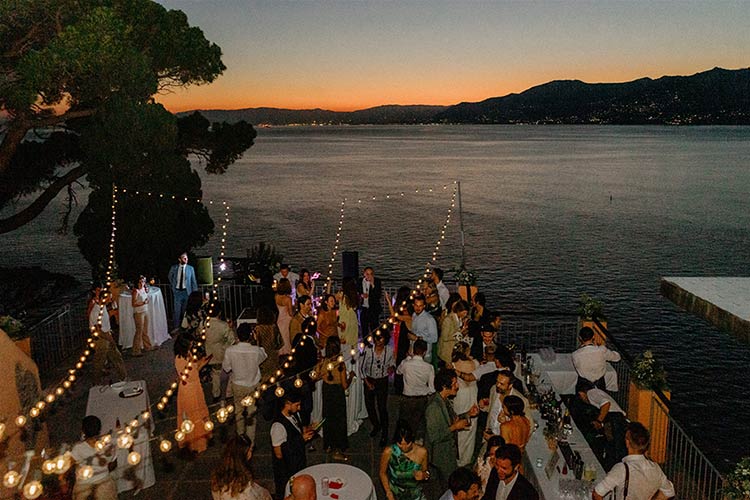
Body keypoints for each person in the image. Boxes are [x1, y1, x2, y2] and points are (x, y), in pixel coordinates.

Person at [425, 369, 479, 492]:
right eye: (454, 383)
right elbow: (434, 436)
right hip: (441, 455)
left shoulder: (445, 400)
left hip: (449, 453)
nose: (457, 386)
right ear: (445, 386)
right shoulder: (433, 407)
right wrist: (455, 427)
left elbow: (452, 420)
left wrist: (468, 414)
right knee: (448, 488)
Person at [593, 422, 675, 500]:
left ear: (627, 442)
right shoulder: (656, 468)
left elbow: (597, 493)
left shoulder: (621, 469)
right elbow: (669, 492)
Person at [222, 323, 267, 443]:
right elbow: (264, 356)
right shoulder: (256, 350)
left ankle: (240, 435)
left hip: (237, 384)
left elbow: (226, 367)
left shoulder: (230, 350)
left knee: (238, 411)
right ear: (250, 335)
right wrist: (257, 342)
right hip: (252, 384)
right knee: (251, 413)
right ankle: (251, 441)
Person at [315, 336, 355, 461]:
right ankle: (340, 445)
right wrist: (351, 377)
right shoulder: (340, 364)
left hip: (327, 391)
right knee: (339, 419)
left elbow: (316, 376)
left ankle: (328, 445)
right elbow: (344, 385)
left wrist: (323, 374)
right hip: (337, 393)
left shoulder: (323, 362)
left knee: (327, 417)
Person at [271, 390, 316, 500]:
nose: (299, 408)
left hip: (297, 462)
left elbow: (296, 431)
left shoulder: (294, 415)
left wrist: (308, 429)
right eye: (297, 405)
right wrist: (301, 439)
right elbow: (279, 453)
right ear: (287, 404)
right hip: (286, 470)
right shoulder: (278, 426)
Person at [576, 379, 628, 470]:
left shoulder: (592, 393)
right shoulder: (596, 392)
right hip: (614, 421)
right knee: (614, 448)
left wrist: (599, 421)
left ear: (581, 393)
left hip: (614, 420)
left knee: (615, 449)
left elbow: (606, 404)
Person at [175, 334, 212, 453]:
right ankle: (196, 443)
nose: (192, 346)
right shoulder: (181, 359)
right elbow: (192, 374)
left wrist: (201, 362)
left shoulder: (185, 356)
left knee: (196, 412)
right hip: (190, 390)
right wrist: (201, 364)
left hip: (193, 387)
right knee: (194, 414)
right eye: (190, 345)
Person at [360, 328, 396, 447]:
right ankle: (376, 425)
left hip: (382, 381)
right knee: (370, 406)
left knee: (382, 407)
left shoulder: (389, 351)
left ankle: (385, 433)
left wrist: (391, 368)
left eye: (381, 338)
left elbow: (393, 362)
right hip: (369, 379)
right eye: (376, 338)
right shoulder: (368, 350)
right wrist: (367, 382)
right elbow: (361, 367)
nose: (378, 341)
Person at [379, 419, 429, 500]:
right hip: (395, 492)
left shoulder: (422, 452)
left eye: (407, 444)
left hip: (414, 494)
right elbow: (382, 473)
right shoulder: (389, 452)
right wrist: (388, 492)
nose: (404, 447)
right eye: (400, 444)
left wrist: (424, 475)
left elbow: (426, 472)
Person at [71, 415, 117, 500]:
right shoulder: (109, 445)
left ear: (83, 430)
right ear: (99, 429)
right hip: (105, 485)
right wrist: (101, 471)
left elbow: (68, 464)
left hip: (83, 487)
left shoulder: (78, 448)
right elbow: (113, 464)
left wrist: (62, 481)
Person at [87, 286, 127, 385]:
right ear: (102, 299)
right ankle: (96, 382)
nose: (110, 300)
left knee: (116, 357)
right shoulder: (95, 312)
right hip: (101, 339)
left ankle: (124, 377)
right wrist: (111, 339)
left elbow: (106, 318)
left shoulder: (102, 306)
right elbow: (99, 331)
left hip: (107, 335)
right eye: (108, 298)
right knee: (99, 361)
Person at [396, 339, 435, 439]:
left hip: (407, 398)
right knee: (418, 425)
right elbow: (432, 389)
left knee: (404, 424)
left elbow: (398, 372)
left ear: (413, 350)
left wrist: (408, 357)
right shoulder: (429, 367)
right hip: (421, 400)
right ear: (425, 352)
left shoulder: (406, 363)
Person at [452, 342, 479, 467]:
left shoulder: (453, 364)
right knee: (471, 425)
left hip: (459, 395)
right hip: (472, 394)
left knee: (459, 422)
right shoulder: (475, 364)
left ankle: (458, 455)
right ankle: (466, 458)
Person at [482, 370, 532, 438]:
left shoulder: (521, 401)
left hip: (506, 443)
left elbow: (529, 426)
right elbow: (491, 409)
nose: (497, 385)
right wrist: (484, 406)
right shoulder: (494, 389)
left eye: (502, 384)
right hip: (489, 435)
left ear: (510, 386)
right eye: (497, 381)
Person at [572, 326, 620, 391]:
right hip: (600, 385)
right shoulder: (602, 350)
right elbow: (617, 358)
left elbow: (578, 367)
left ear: (580, 338)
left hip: (583, 386)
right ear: (593, 337)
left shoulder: (575, 354)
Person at [205, 301, 237, 401]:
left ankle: (216, 393)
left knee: (215, 374)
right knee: (228, 373)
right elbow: (232, 340)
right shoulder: (223, 325)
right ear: (219, 312)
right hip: (222, 353)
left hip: (209, 353)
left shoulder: (204, 324)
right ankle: (228, 393)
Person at [169, 252, 198, 330]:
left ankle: (186, 326)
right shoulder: (174, 268)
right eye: (184, 258)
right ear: (179, 259)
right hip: (177, 292)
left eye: (187, 258)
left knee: (186, 310)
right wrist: (173, 287)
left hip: (187, 292)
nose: (186, 259)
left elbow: (193, 281)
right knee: (176, 310)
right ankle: (176, 327)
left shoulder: (190, 268)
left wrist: (194, 293)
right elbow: (170, 277)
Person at [254, 306, 283, 380]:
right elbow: (280, 343)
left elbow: (255, 344)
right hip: (273, 358)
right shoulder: (274, 328)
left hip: (262, 359)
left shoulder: (257, 329)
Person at [438, 300, 469, 366]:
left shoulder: (460, 319)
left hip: (454, 350)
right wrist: (460, 332)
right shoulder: (448, 320)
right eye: (464, 313)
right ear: (458, 311)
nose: (465, 315)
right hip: (447, 351)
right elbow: (445, 337)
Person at [410, 294, 438, 363]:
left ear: (424, 306)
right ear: (413, 305)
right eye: (416, 305)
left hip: (425, 355)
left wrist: (418, 338)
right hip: (413, 353)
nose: (418, 308)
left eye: (420, 306)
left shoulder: (429, 319)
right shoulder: (414, 315)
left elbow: (434, 339)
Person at [130, 275, 153, 356]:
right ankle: (136, 350)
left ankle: (148, 346)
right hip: (139, 312)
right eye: (140, 282)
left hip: (145, 310)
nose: (142, 283)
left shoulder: (144, 289)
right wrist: (143, 303)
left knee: (145, 330)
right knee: (139, 331)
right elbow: (133, 303)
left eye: (143, 281)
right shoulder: (136, 291)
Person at [360, 266, 383, 336]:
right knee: (364, 327)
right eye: (367, 274)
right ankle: (365, 342)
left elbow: (378, 295)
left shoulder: (377, 281)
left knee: (375, 327)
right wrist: (361, 295)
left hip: (373, 308)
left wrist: (373, 285)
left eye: (371, 274)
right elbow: (357, 292)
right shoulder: (360, 281)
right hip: (364, 308)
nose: (369, 276)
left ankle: (376, 341)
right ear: (364, 274)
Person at [337, 278, 359, 346]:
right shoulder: (355, 295)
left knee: (343, 338)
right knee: (352, 337)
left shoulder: (341, 294)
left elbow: (332, 298)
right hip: (353, 318)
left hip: (344, 318)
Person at [275, 278, 294, 355]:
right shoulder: (287, 299)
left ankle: (281, 352)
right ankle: (287, 352)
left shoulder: (276, 296)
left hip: (279, 319)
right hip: (286, 319)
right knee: (287, 337)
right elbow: (290, 312)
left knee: (281, 336)